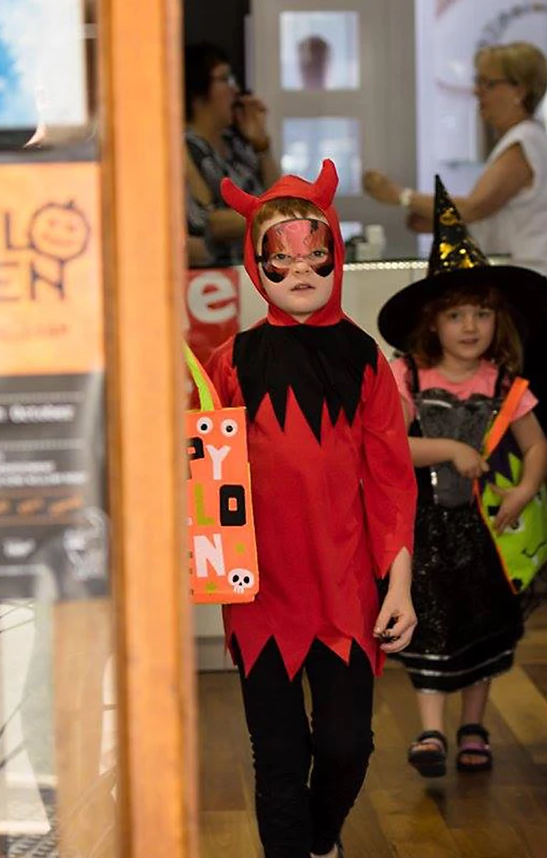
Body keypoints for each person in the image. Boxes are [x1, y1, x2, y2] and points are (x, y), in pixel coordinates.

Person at [206, 159, 417, 858]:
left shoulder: (366, 362)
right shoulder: (228, 362)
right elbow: (201, 469)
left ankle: (321, 841)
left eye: (314, 251)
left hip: (345, 589)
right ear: (254, 263)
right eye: (279, 256)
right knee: (277, 755)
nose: (299, 268)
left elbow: (391, 482)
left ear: (336, 253)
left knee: (347, 744)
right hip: (261, 590)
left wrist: (401, 586)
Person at [377, 179, 547, 778]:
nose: (471, 326)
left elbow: (537, 448)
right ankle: (430, 731)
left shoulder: (505, 385)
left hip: (486, 531)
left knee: (482, 628)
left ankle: (473, 725)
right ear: (433, 322)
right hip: (426, 532)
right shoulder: (408, 379)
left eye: (482, 313)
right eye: (456, 314)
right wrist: (450, 446)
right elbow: (392, 446)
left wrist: (526, 490)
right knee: (431, 625)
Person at [362, 41, 547, 443]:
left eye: (487, 83)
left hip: (536, 303)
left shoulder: (524, 143)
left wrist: (397, 194)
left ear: (518, 89)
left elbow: (477, 206)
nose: (477, 93)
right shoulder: (520, 141)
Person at [185, 41, 280, 266]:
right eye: (224, 79)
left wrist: (262, 146)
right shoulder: (185, 149)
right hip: (217, 281)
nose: (234, 90)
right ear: (197, 88)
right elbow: (209, 223)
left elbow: (278, 194)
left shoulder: (237, 145)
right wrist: (276, 217)